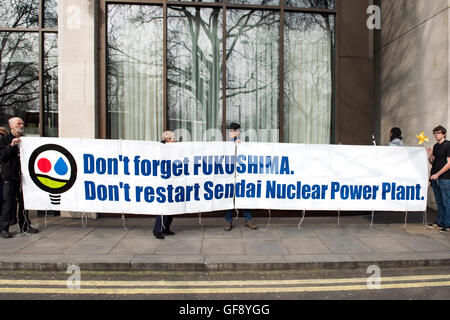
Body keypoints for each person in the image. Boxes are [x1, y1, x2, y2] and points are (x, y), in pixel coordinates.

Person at [0, 117, 39, 238]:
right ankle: (4, 228)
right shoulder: (5, 140)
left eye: (22, 123)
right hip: (10, 176)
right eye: (19, 123)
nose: (21, 125)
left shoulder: (25, 139)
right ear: (11, 126)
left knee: (24, 202)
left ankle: (25, 225)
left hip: (24, 177)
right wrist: (11, 145)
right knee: (8, 203)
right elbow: (2, 157)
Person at [224, 123, 257, 231]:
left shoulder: (241, 144)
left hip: (240, 176)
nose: (230, 133)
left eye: (232, 131)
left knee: (243, 197)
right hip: (230, 176)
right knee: (230, 200)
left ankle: (248, 220)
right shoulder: (226, 144)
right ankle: (228, 221)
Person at [426, 125, 450, 233]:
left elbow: (449, 164)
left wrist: (438, 174)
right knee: (439, 201)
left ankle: (448, 223)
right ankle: (440, 222)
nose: (436, 135)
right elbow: (432, 162)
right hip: (435, 177)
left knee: (446, 201)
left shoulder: (448, 145)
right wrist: (430, 155)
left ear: (444, 134)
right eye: (435, 133)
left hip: (445, 178)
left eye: (438, 133)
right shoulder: (436, 146)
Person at [153, 131, 176, 239]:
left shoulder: (172, 150)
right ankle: (157, 230)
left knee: (170, 207)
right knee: (163, 208)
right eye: (172, 139)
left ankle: (166, 228)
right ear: (167, 140)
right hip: (163, 183)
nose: (174, 140)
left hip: (171, 182)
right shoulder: (160, 150)